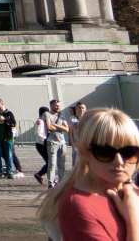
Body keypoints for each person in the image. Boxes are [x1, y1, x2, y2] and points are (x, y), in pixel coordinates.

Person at [35, 107, 139, 241]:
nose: (119, 161)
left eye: (129, 152)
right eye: (105, 152)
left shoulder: (131, 193)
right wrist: (134, 221)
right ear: (85, 152)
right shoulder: (78, 206)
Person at [45, 99, 74, 187]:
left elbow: (67, 129)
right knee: (52, 164)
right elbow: (49, 127)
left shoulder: (62, 115)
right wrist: (60, 127)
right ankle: (51, 182)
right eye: (56, 105)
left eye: (58, 105)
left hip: (62, 142)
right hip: (52, 142)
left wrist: (56, 125)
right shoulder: (47, 114)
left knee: (62, 164)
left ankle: (61, 182)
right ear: (51, 106)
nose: (58, 107)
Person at [0, 98, 17, 180]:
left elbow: (13, 124)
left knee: (9, 155)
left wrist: (5, 119)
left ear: (2, 104)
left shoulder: (9, 113)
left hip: (7, 138)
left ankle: (10, 172)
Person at [36, 106, 55, 185]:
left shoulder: (43, 120)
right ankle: (41, 175)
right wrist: (46, 140)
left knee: (50, 162)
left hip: (42, 144)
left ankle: (41, 175)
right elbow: (39, 133)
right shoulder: (40, 121)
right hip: (42, 144)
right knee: (50, 162)